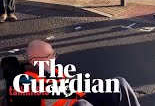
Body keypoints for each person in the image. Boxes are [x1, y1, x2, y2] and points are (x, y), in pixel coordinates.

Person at [2, 40, 141, 106]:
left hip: (78, 99)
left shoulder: (52, 70)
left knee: (118, 83)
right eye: (50, 55)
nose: (54, 58)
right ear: (36, 60)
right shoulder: (24, 81)